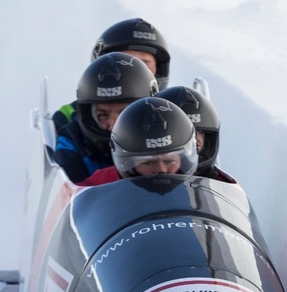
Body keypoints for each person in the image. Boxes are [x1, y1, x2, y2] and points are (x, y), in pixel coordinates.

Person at [54, 52, 159, 185]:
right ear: (89, 116)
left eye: (125, 114)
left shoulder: (170, 130)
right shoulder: (72, 143)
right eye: (103, 115)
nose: (114, 125)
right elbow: (70, 198)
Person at [53, 18, 171, 129]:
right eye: (124, 63)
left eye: (145, 65)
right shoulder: (69, 117)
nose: (136, 72)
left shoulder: (174, 113)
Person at [110, 97, 199, 178]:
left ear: (183, 160)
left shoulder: (204, 187)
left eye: (168, 161)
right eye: (147, 162)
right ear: (128, 163)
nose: (161, 170)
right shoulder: (102, 182)